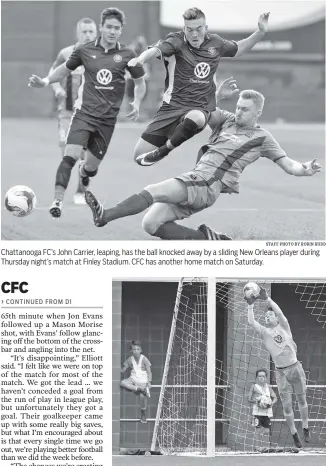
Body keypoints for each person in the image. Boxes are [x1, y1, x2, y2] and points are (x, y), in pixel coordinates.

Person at [84, 78, 321, 240]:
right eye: (238, 107)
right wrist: (217, 95)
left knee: (153, 189)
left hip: (208, 184)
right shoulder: (227, 120)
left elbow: (289, 165)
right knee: (151, 224)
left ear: (258, 113)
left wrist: (305, 168)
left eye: (245, 110)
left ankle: (106, 216)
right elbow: (199, 114)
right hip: (197, 179)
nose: (238, 112)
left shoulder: (262, 137)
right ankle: (207, 240)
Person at [28, 7, 146, 218]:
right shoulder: (84, 51)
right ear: (102, 27)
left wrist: (137, 102)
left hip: (107, 122)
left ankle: (85, 173)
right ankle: (58, 201)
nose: (112, 31)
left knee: (90, 168)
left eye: (116, 28)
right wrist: (46, 82)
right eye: (108, 27)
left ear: (121, 30)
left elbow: (139, 82)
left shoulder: (127, 54)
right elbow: (64, 68)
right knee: (69, 156)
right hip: (82, 115)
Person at [127, 7, 270, 167]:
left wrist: (260, 32)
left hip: (199, 108)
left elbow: (239, 48)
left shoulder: (215, 43)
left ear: (206, 28)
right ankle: (173, 135)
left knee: (198, 118)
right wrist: (140, 59)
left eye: (198, 29)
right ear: (184, 29)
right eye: (190, 30)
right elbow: (154, 50)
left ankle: (164, 151)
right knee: (139, 156)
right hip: (171, 108)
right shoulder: (175, 41)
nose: (194, 34)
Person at [245, 285, 311, 448]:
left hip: (295, 368)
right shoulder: (264, 332)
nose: (267, 317)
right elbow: (251, 321)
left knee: (301, 399)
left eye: (269, 315)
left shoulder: (284, 327)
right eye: (265, 316)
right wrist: (250, 304)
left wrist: (267, 299)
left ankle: (305, 427)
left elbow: (280, 313)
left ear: (275, 318)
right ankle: (294, 433)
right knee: (287, 406)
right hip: (281, 373)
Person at [49, 17, 97, 204]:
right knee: (68, 152)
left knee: (85, 157)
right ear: (78, 33)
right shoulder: (66, 53)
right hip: (67, 112)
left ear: (96, 33)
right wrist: (57, 89)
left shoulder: (101, 57)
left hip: (89, 115)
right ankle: (63, 195)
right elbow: (52, 73)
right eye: (84, 31)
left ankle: (82, 189)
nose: (87, 35)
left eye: (90, 31)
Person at [121, 340, 152, 424]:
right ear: (131, 350)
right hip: (133, 379)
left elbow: (149, 372)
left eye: (138, 349)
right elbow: (123, 369)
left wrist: (149, 382)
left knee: (142, 397)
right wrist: (119, 369)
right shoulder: (129, 359)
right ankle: (139, 389)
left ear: (140, 350)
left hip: (143, 381)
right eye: (134, 349)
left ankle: (143, 413)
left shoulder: (144, 359)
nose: (136, 351)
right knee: (122, 383)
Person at [248, 368, 277, 451]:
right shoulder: (254, 387)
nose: (261, 378)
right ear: (257, 377)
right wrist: (258, 401)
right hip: (257, 412)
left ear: (266, 378)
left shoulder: (268, 387)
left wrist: (271, 403)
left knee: (267, 430)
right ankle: (257, 447)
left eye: (263, 376)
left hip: (267, 412)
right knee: (258, 429)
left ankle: (264, 446)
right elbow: (249, 399)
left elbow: (275, 398)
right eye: (260, 376)